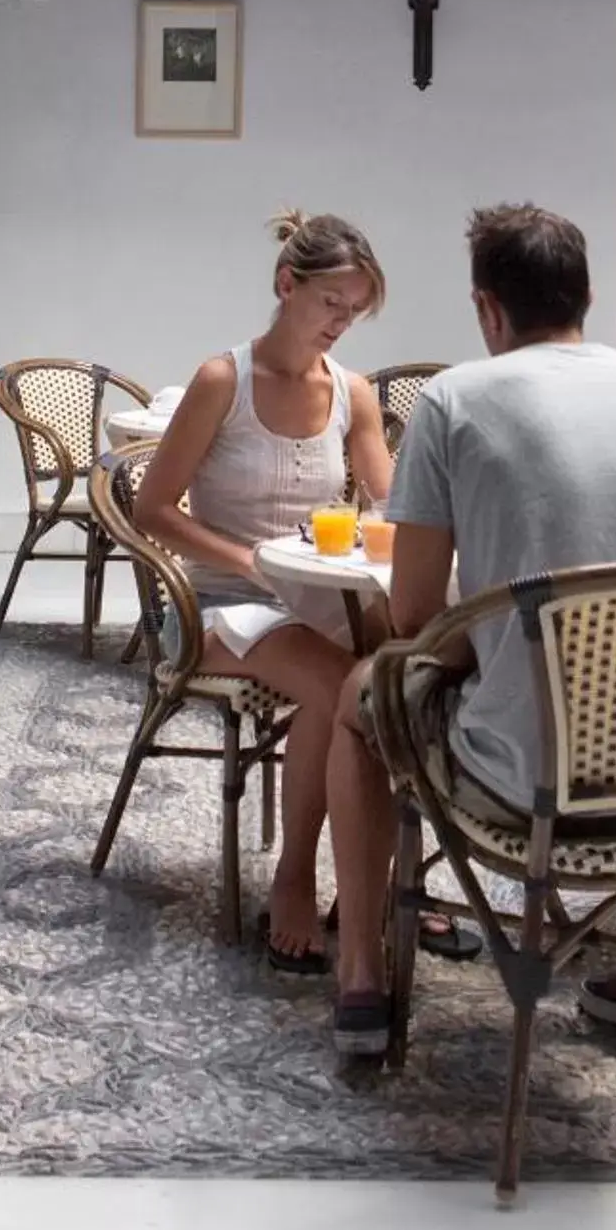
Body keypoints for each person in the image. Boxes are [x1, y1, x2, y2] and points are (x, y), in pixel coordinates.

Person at [326, 202, 616, 1060]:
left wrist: (485, 631)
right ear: (586, 294)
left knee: (359, 695)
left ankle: (361, 974)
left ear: (487, 309)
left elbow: (411, 618)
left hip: (525, 788)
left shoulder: (452, 399)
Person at [135, 211, 394, 971]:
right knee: (337, 686)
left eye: (355, 312)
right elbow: (151, 510)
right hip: (215, 603)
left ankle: (370, 882)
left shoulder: (353, 394)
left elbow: (386, 505)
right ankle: (292, 880)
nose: (342, 324)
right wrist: (247, 561)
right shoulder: (226, 381)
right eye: (331, 306)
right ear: (288, 285)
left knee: (402, 671)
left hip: (313, 602)